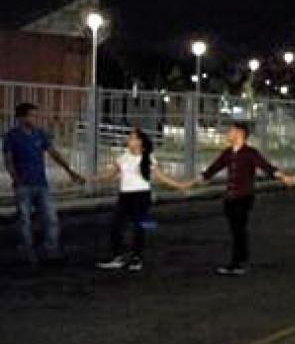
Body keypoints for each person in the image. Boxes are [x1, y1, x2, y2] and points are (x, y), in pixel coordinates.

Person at [192, 122, 295, 276]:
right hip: (230, 197)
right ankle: (238, 262)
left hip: (244, 197)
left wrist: (285, 178)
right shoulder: (228, 153)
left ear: (240, 134)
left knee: (239, 230)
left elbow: (267, 168)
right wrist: (188, 183)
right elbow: (211, 170)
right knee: (235, 230)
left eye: (231, 131)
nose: (228, 134)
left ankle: (238, 263)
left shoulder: (250, 153)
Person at [90, 128, 189, 271]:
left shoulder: (148, 157)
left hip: (141, 195)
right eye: (129, 138)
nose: (129, 140)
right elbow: (110, 174)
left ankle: (136, 258)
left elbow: (160, 176)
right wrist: (91, 179)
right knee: (115, 224)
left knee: (139, 226)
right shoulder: (123, 156)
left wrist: (179, 185)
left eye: (132, 138)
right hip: (125, 195)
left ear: (139, 142)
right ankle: (118, 257)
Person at [3, 103, 86, 267]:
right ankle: (28, 252)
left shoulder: (40, 134)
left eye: (36, 115)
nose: (35, 119)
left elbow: (53, 153)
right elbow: (8, 159)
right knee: (24, 221)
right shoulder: (12, 136)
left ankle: (51, 250)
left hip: (41, 184)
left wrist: (70, 171)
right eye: (31, 115)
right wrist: (16, 179)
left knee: (50, 218)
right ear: (21, 117)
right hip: (24, 185)